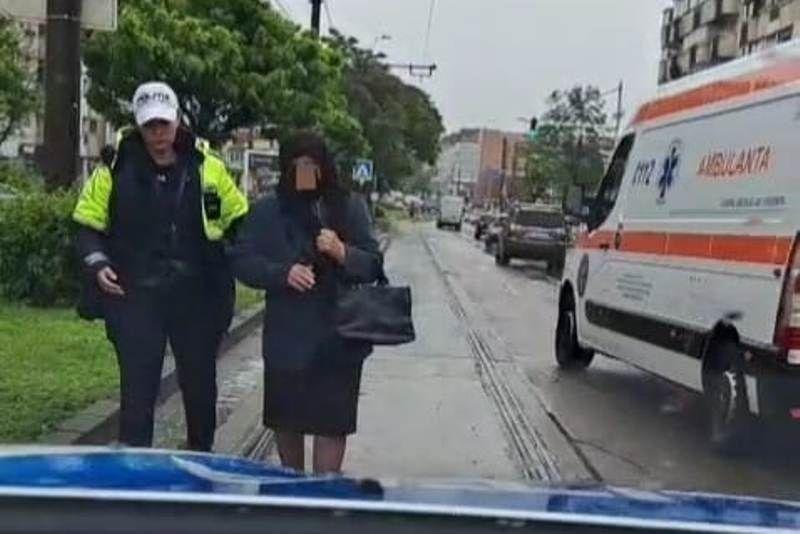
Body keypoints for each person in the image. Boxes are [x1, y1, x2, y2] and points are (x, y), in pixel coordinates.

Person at [72, 81, 249, 451]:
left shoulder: (208, 167)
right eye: (150, 125)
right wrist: (98, 264)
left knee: (200, 386)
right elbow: (87, 225)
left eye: (164, 124)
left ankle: (201, 457)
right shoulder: (113, 168)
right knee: (137, 390)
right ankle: (136, 465)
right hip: (136, 295)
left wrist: (240, 258)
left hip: (197, 296)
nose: (158, 134)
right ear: (138, 126)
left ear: (177, 121)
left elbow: (239, 221)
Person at [231, 131, 382, 474]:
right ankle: (291, 489)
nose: (305, 173)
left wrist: (343, 252)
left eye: (311, 165)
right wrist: (282, 274)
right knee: (287, 422)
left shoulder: (348, 207)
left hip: (339, 337)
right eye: (297, 165)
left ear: (324, 166)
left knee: (331, 425)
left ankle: (324, 493)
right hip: (288, 337)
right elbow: (242, 260)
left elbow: (373, 265)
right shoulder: (268, 211)